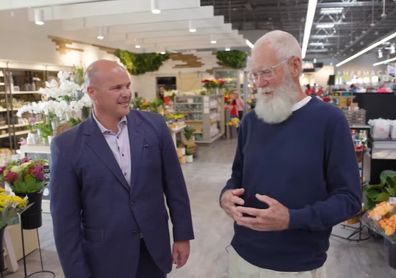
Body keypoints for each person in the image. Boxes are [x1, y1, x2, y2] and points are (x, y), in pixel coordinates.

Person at [220, 30, 361, 278]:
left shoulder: (329, 121)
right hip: (242, 256)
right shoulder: (251, 122)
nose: (259, 83)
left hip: (298, 265)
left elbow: (349, 199)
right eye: (255, 75)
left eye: (266, 72)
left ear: (294, 66)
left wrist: (292, 219)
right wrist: (225, 195)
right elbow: (237, 177)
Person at [50, 60, 194, 278]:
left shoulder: (154, 126)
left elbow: (175, 187)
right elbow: (65, 221)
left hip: (153, 251)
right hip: (105, 259)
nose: (126, 93)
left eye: (127, 86)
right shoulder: (67, 146)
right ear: (92, 92)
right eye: (116, 88)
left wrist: (182, 235)